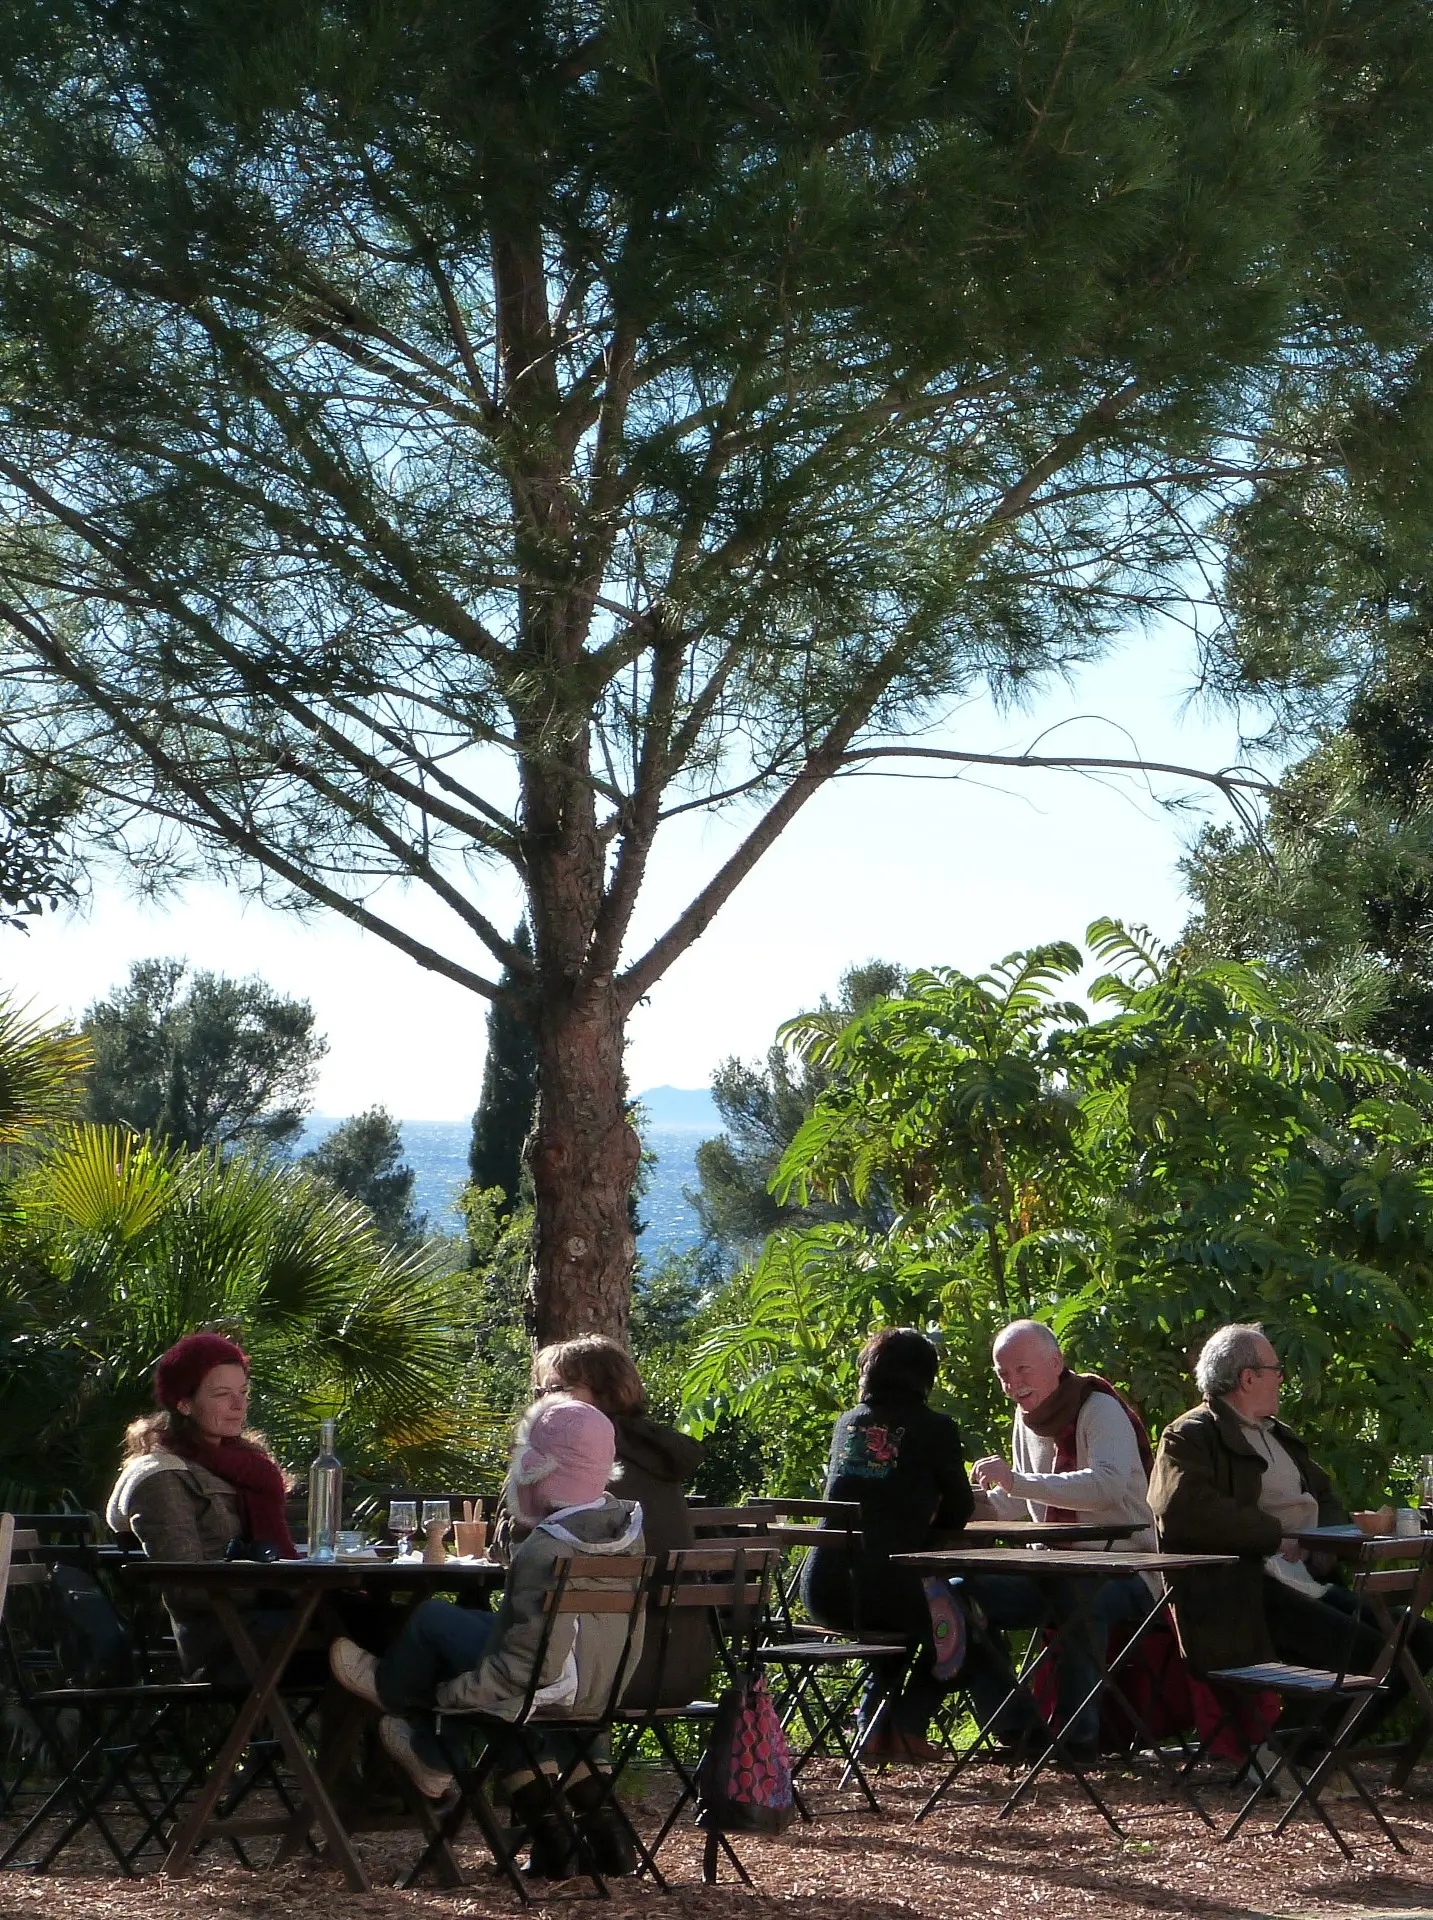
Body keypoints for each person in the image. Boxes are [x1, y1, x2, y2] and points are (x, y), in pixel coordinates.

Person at [328, 1392, 647, 1879]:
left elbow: (521, 1671)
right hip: (599, 1683)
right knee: (478, 1630)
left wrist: (449, 1697)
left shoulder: (546, 1550)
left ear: (538, 1472)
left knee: (435, 1619)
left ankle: (405, 1713)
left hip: (545, 1680)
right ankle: (597, 1840)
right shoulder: (628, 1531)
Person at [1150, 1321, 1433, 1745]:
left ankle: (1317, 1755)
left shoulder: (1277, 1435)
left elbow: (1325, 1496)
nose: (1282, 1377)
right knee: (1369, 1653)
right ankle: (1283, 1754)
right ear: (1248, 1378)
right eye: (1275, 1368)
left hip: (1307, 1583)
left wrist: (1325, 1547)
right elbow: (1181, 1509)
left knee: (1420, 1639)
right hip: (1246, 1595)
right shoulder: (1189, 1436)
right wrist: (1275, 1536)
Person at [964, 1320, 1157, 1756]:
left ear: (1056, 1363)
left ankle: (1078, 1739)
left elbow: (1103, 1487)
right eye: (1003, 1375)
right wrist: (971, 1504)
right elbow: (1024, 1505)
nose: (1013, 1384)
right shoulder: (1025, 1417)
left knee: (1078, 1593)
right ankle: (1020, 1728)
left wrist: (1015, 1481)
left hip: (1128, 1572)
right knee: (957, 1597)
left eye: (1022, 1370)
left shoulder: (1099, 1409)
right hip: (1050, 1569)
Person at [801, 1327, 975, 1761]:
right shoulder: (934, 1427)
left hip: (822, 1587)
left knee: (904, 1620)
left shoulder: (848, 1423)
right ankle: (909, 1728)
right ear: (926, 1376)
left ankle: (872, 1734)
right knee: (964, 1626)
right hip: (885, 1586)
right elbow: (960, 1508)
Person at [528, 1334, 712, 1710]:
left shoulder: (580, 1459)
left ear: (607, 1394)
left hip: (606, 1674)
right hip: (682, 1667)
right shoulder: (657, 1455)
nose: (545, 1403)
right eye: (539, 1391)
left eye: (559, 1389)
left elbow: (521, 1549)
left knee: (436, 1631)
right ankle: (580, 1762)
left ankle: (448, 1759)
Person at [105, 1331, 298, 1681]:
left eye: (243, 1393)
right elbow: (185, 1584)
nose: (239, 1406)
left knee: (384, 1622)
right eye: (223, 1395)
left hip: (275, 1621)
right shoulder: (161, 1475)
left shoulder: (244, 1465)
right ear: (185, 1404)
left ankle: (385, 1732)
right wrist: (276, 1582)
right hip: (227, 1643)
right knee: (366, 1631)